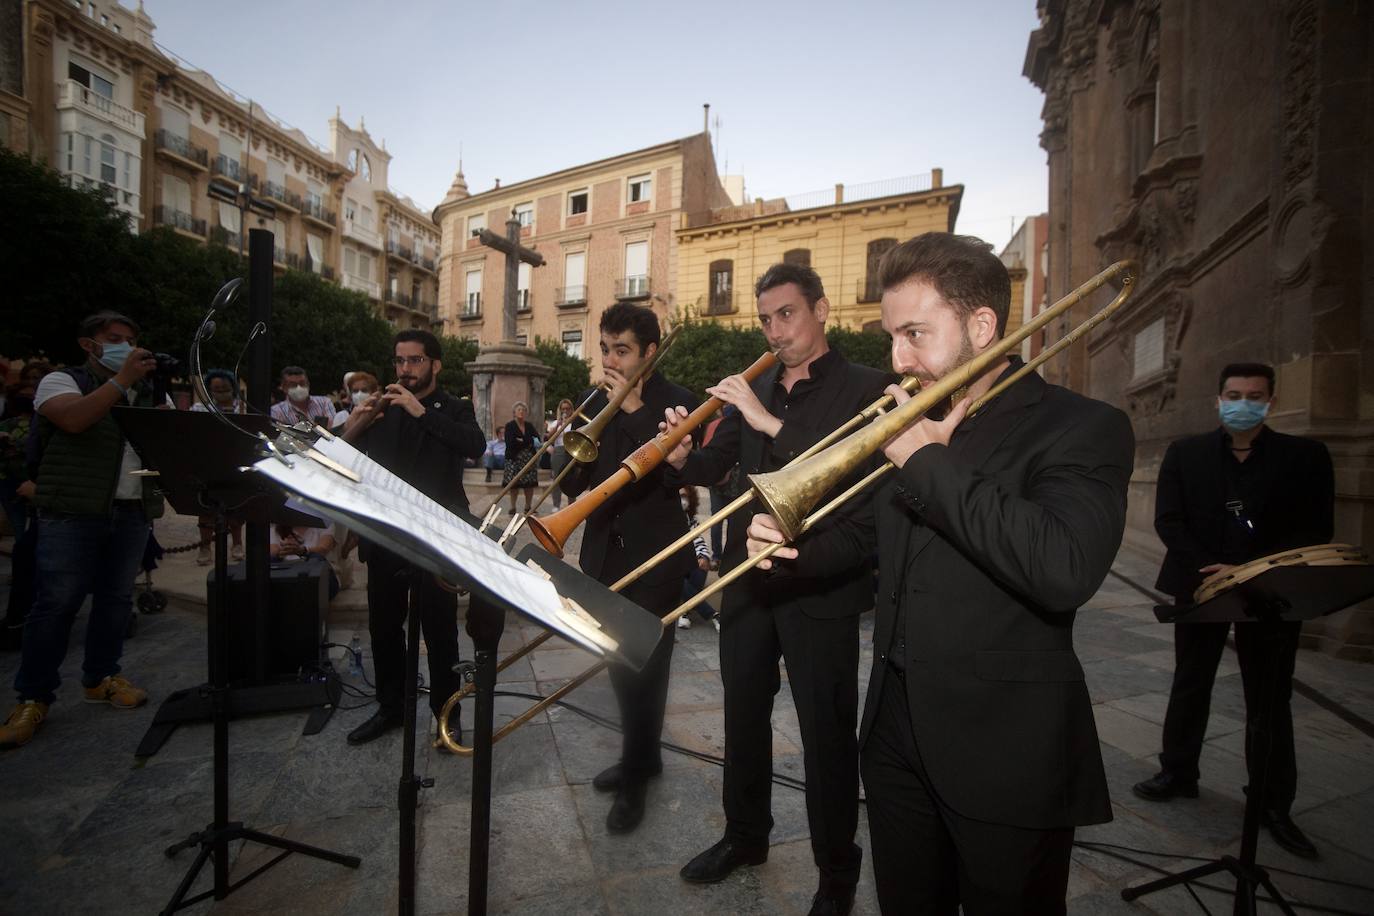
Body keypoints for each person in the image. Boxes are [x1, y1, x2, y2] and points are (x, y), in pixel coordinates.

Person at [747, 233, 1134, 913]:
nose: (898, 360)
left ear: (981, 326)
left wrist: (928, 464)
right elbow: (868, 537)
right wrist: (794, 548)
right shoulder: (914, 423)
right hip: (895, 738)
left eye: (915, 334)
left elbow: (1063, 567)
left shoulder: (1081, 427)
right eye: (893, 336)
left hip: (1005, 751)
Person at [661, 262, 887, 916]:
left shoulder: (865, 387)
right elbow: (717, 462)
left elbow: (843, 477)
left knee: (826, 734)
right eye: (766, 319)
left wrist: (764, 419)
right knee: (743, 716)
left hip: (821, 584)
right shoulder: (758, 385)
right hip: (748, 584)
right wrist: (681, 458)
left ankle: (837, 873)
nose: (774, 330)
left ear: (820, 310)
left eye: (786, 314)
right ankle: (745, 837)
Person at [1131, 363, 1331, 860]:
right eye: (1235, 394)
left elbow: (1314, 528)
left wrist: (1246, 569)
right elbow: (1169, 521)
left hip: (1270, 593)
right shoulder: (1186, 453)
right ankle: (1178, 772)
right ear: (1219, 400)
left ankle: (1272, 802)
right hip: (1200, 585)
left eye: (1255, 396)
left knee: (1269, 697)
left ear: (1271, 402)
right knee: (1191, 680)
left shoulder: (1305, 456)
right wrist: (1208, 566)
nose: (1244, 403)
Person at [560, 302, 699, 834]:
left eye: (622, 351)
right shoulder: (597, 400)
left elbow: (669, 481)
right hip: (603, 556)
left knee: (649, 669)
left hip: (656, 558)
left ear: (648, 352)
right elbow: (573, 485)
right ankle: (640, 756)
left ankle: (638, 773)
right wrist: (578, 433)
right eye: (605, 349)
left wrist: (634, 407)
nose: (611, 360)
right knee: (618, 665)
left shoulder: (678, 402)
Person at [0, 312, 168, 749]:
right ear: (88, 344)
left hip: (131, 508)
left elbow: (169, 440)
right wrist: (120, 382)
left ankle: (101, 676)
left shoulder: (146, 392)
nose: (126, 347)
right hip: (72, 511)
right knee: (56, 603)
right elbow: (73, 420)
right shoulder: (63, 381)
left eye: (131, 340)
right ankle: (33, 696)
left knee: (114, 599)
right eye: (115, 340)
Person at [342, 330, 486, 747]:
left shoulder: (454, 409)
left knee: (440, 631)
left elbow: (473, 445)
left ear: (434, 365)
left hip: (436, 538)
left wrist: (421, 412)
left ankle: (447, 714)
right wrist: (355, 424)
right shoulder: (381, 411)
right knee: (383, 627)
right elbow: (338, 451)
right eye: (400, 362)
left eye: (415, 361)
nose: (405, 370)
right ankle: (391, 708)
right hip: (386, 535)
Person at [191, 369, 245, 565]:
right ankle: (205, 547)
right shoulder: (200, 408)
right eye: (216, 389)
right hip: (208, 463)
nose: (221, 392)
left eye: (225, 388)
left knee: (235, 508)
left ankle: (237, 544)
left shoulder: (243, 409)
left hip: (234, 463)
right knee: (206, 508)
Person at [675, 486, 718, 632]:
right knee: (676, 577)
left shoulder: (690, 520)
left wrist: (703, 556)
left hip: (685, 563)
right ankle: (712, 614)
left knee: (701, 566)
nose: (683, 501)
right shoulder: (666, 521)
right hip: (671, 566)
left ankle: (684, 611)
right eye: (680, 496)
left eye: (685, 496)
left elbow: (698, 541)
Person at [270, 521, 340, 601]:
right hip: (286, 577)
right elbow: (273, 550)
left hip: (314, 577)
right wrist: (286, 548)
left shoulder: (324, 523)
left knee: (317, 557)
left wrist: (303, 551)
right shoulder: (276, 527)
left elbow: (324, 548)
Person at [502, 401, 539, 515]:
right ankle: (512, 507)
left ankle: (528, 506)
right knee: (513, 484)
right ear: (514, 412)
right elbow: (510, 442)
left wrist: (521, 440)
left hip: (529, 459)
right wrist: (527, 441)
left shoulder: (529, 425)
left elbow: (536, 439)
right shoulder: (510, 425)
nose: (521, 412)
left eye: (523, 410)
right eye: (519, 410)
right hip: (514, 459)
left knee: (529, 484)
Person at [269, 366, 335, 426]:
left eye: (302, 383)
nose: (299, 387)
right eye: (293, 385)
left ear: (308, 384)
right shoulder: (276, 411)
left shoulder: (324, 402)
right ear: (284, 387)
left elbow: (332, 428)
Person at [547, 398, 574, 509]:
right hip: (559, 450)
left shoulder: (574, 422)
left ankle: (571, 504)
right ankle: (556, 505)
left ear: (571, 409)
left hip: (571, 450)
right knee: (556, 479)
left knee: (571, 478)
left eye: (567, 408)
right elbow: (549, 437)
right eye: (563, 409)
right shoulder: (555, 423)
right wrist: (558, 424)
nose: (565, 411)